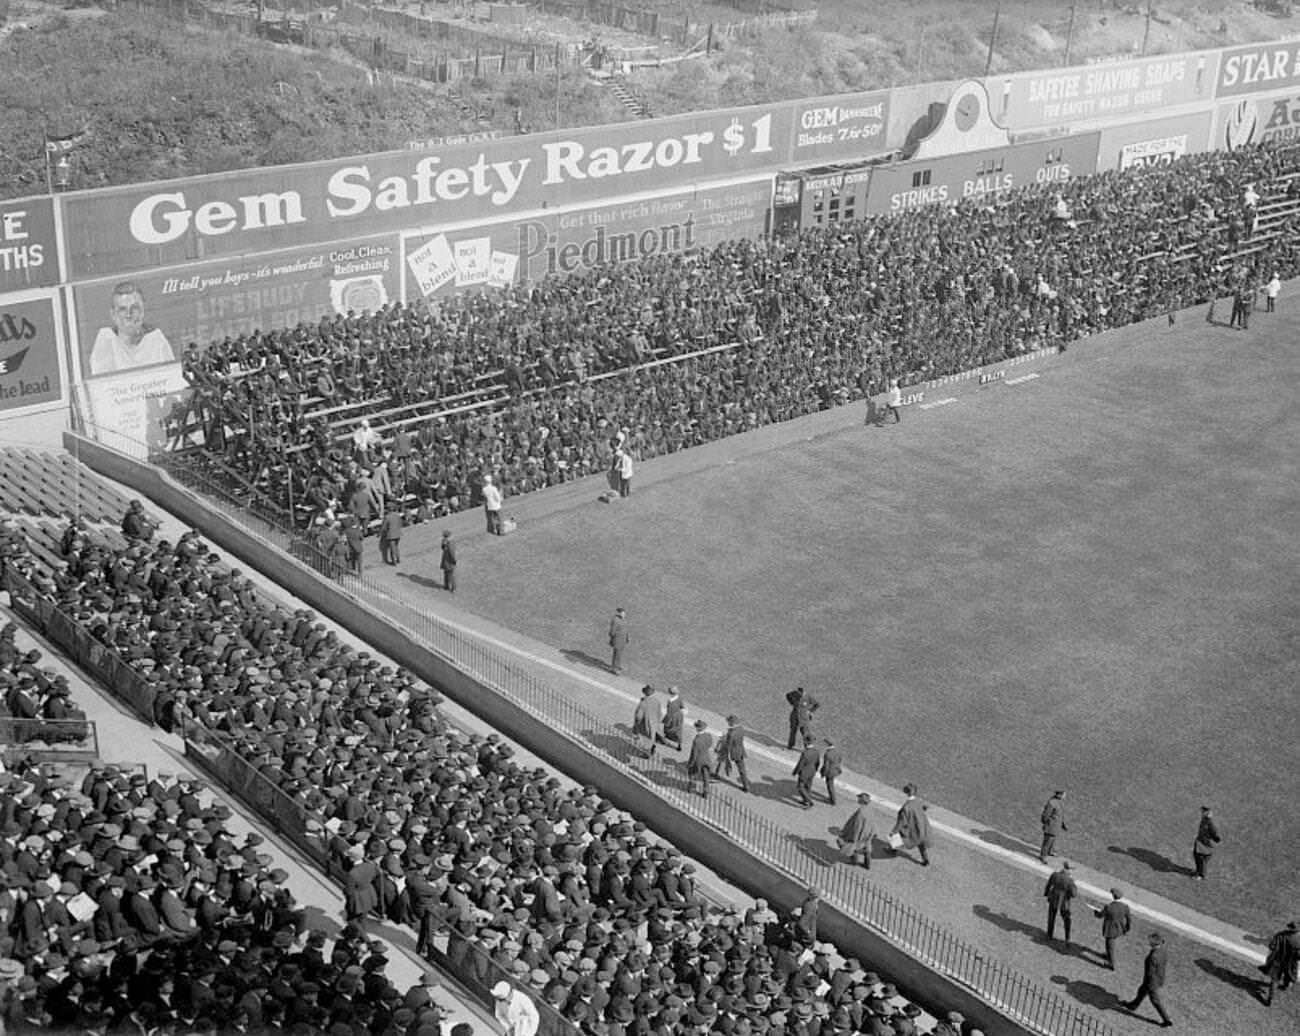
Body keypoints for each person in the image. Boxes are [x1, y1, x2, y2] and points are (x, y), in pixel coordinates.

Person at [88, 282, 175, 376]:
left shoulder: (156, 339)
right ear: (113, 315)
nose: (128, 315)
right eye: (122, 309)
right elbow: (103, 384)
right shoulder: (106, 339)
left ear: (142, 311)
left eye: (134, 308)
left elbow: (171, 378)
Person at [1123, 932, 1173, 1027]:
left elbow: (1150, 973)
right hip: (1159, 977)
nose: (1149, 942)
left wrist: (1148, 984)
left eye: (1150, 941)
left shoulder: (1153, 957)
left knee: (1155, 1000)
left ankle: (1167, 1019)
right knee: (1141, 991)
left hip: (1151, 982)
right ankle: (1133, 1005)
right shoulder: (1163, 950)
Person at [1260, 920, 1300, 1005]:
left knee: (1274, 980)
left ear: (1289, 927)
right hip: (1291, 963)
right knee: (1289, 976)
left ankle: (1270, 999)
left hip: (1278, 961)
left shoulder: (1280, 935)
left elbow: (1272, 946)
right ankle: (1285, 986)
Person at [890, 784, 932, 866]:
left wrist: (894, 831)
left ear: (906, 793)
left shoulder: (906, 807)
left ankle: (893, 849)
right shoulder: (919, 801)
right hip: (921, 826)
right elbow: (925, 807)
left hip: (912, 827)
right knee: (921, 844)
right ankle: (925, 859)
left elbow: (901, 822)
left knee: (898, 836)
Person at [1094, 888, 1132, 970]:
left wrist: (1096, 913)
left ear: (1113, 896)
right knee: (1111, 944)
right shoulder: (1125, 907)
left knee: (1110, 945)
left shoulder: (1109, 907)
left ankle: (1111, 964)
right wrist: (1126, 929)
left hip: (1110, 929)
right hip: (1119, 929)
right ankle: (1108, 955)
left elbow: (1100, 915)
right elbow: (1129, 920)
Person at [837, 792, 877, 868]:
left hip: (860, 834)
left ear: (862, 800)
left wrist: (854, 838)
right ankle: (867, 863)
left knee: (854, 846)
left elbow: (857, 826)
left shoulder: (860, 812)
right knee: (867, 847)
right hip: (868, 833)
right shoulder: (870, 809)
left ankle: (854, 860)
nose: (857, 799)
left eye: (859, 798)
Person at [714, 714, 751, 792]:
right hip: (740, 750)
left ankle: (717, 775)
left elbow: (728, 745)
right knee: (742, 769)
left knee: (722, 762)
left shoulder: (731, 733)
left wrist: (723, 740)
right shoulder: (741, 729)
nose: (728, 723)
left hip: (732, 752)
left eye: (729, 722)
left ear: (731, 723)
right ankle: (746, 785)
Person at [1044, 861, 1077, 943]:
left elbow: (1048, 885)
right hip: (1064, 902)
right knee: (1067, 920)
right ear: (1069, 870)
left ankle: (1049, 934)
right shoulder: (1070, 880)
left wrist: (1047, 894)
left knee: (1051, 917)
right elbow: (1073, 894)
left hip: (1053, 898)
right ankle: (1067, 938)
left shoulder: (1055, 875)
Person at [632, 684, 663, 758]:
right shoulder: (657, 701)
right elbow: (660, 714)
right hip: (654, 724)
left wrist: (636, 726)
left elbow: (638, 717)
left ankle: (646, 754)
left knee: (645, 740)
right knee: (652, 738)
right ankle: (652, 748)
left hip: (645, 725)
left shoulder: (643, 703)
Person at [685, 719, 714, 798]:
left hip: (698, 760)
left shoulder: (696, 740)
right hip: (706, 757)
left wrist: (690, 764)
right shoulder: (709, 736)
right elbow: (710, 745)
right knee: (705, 776)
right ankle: (706, 792)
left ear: (697, 729)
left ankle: (691, 787)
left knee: (692, 773)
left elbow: (694, 754)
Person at [1192, 805, 1220, 881]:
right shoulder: (1204, 819)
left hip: (1206, 844)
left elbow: (1215, 833)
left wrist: (1216, 839)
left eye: (1203, 812)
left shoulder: (1210, 823)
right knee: (1196, 855)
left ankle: (1201, 875)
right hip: (1200, 842)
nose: (1201, 813)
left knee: (1202, 859)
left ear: (1207, 813)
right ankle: (1198, 871)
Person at [792, 740, 822, 809]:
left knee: (800, 787)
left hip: (804, 773)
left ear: (806, 743)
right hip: (812, 772)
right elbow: (818, 763)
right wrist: (815, 770)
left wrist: (795, 772)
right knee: (808, 787)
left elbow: (800, 765)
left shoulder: (805, 753)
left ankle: (809, 801)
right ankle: (806, 801)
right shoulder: (816, 752)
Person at [1039, 790, 1067, 863]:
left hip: (1056, 826)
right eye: (1064, 794)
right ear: (1059, 795)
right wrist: (1046, 823)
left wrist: (1063, 824)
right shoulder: (1052, 803)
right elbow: (1046, 814)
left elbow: (1060, 815)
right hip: (1051, 826)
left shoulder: (1060, 802)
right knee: (1047, 842)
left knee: (1053, 840)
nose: (1065, 796)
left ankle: (1050, 851)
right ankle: (1043, 856)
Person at [819, 737, 842, 806]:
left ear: (827, 744)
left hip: (830, 772)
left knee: (830, 786)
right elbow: (840, 760)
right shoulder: (837, 751)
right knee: (831, 784)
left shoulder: (827, 754)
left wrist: (823, 774)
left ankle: (832, 800)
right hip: (836, 770)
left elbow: (826, 766)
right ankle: (832, 799)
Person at [662, 685, 685, 750]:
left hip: (672, 717)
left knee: (666, 729)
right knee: (678, 731)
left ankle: (664, 739)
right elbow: (682, 707)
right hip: (679, 717)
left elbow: (669, 711)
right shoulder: (680, 698)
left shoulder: (670, 701)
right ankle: (679, 745)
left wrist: (666, 720)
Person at [608, 607, 629, 674]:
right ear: (619, 613)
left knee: (619, 654)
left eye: (624, 613)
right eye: (623, 613)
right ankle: (614, 668)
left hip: (623, 640)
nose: (624, 614)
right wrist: (612, 638)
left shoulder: (624, 620)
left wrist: (627, 638)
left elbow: (626, 630)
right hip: (617, 639)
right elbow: (612, 631)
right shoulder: (616, 620)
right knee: (617, 654)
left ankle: (617, 665)